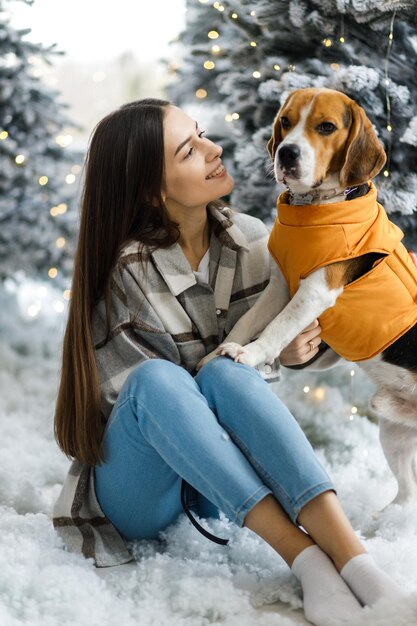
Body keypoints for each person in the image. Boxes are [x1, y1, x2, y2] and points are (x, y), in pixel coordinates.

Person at [53, 99, 407, 626]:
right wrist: (249, 359)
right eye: (189, 149)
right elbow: (152, 406)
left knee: (226, 368)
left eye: (203, 134)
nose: (215, 148)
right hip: (139, 491)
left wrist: (290, 353)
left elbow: (266, 358)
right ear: (155, 189)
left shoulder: (250, 238)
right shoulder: (126, 269)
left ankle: (356, 563)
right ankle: (305, 559)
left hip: (219, 487)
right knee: (161, 378)